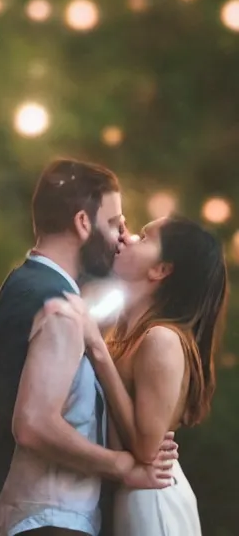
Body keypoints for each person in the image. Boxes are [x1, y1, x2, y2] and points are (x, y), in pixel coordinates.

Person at [0, 159, 178, 536]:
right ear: (82, 223)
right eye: (114, 223)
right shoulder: (55, 303)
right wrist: (123, 466)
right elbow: (34, 425)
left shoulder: (35, 287)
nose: (123, 236)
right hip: (51, 520)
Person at [40, 214, 228, 535]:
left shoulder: (161, 339)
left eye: (144, 236)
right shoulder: (121, 332)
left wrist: (98, 351)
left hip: (153, 505)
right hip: (128, 500)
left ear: (161, 270)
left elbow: (145, 450)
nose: (127, 237)